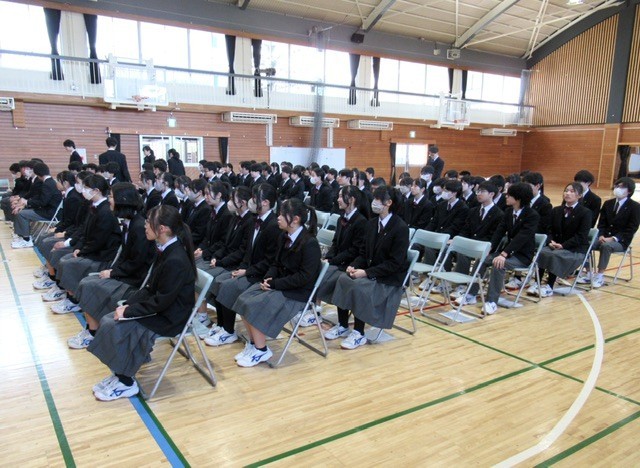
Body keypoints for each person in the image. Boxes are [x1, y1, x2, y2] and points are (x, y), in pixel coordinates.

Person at [87, 205, 196, 401]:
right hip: (162, 308)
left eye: (148, 221)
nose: (145, 225)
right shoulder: (166, 249)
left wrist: (130, 311)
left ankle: (126, 382)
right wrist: (128, 305)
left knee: (117, 326)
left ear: (162, 228)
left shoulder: (175, 259)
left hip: (170, 317)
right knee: (110, 318)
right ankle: (119, 374)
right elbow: (151, 289)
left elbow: (161, 301)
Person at [232, 197, 321, 366]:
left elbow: (304, 277)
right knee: (243, 299)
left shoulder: (310, 243)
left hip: (298, 293)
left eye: (281, 214)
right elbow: (275, 263)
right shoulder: (283, 236)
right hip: (280, 284)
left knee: (254, 306)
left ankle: (261, 350)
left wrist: (275, 284)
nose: (278, 218)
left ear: (295, 219)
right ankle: (254, 344)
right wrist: (269, 278)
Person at [68, 183, 156, 348]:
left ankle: (93, 332)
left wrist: (113, 273)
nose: (109, 200)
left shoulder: (139, 226)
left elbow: (137, 263)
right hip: (126, 273)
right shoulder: (129, 222)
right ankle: (92, 329)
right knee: (87, 282)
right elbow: (124, 256)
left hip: (134, 280)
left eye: (111, 196)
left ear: (123, 200)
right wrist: (113, 270)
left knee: (89, 286)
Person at [331, 185, 409, 349]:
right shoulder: (372, 224)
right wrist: (354, 265)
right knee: (343, 279)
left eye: (378, 199)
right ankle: (343, 325)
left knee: (360, 286)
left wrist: (366, 272)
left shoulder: (400, 228)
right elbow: (364, 253)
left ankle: (359, 333)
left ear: (388, 203)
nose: (374, 202)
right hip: (372, 270)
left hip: (388, 278)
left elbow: (395, 263)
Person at [204, 183, 281, 346]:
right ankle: (222, 325)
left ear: (265, 202)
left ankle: (229, 331)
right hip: (249, 269)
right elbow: (247, 251)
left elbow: (269, 261)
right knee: (219, 281)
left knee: (227, 286)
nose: (251, 201)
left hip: (260, 274)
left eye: (255, 198)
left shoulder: (273, 225)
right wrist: (243, 267)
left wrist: (247, 271)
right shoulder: (255, 220)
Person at [52, 174, 122, 313]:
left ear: (96, 191)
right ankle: (68, 292)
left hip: (102, 255)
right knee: (65, 258)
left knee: (69, 263)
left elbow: (98, 241)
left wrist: (82, 251)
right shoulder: (93, 206)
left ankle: (73, 300)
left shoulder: (106, 211)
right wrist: (78, 247)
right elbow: (84, 231)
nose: (83, 190)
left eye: (86, 187)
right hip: (91, 249)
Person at [474, 182, 539, 315]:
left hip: (521, 256)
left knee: (498, 264)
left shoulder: (532, 215)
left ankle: (491, 301)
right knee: (482, 259)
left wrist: (504, 254)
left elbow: (522, 237)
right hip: (507, 252)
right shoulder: (509, 211)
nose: (506, 197)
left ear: (518, 198)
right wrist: (490, 247)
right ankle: (470, 293)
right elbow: (499, 231)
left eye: (509, 195)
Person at [317, 185, 367, 339]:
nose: (338, 199)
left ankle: (343, 325)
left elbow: (354, 250)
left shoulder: (361, 221)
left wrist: (333, 261)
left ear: (351, 199)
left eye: (341, 196)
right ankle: (315, 310)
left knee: (340, 280)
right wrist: (328, 258)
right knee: (319, 269)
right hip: (339, 260)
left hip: (350, 263)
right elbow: (335, 243)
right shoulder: (341, 218)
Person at [529, 182, 592, 298]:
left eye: (572, 191)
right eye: (566, 190)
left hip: (574, 249)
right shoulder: (557, 210)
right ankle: (537, 282)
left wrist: (563, 245)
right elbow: (549, 230)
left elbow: (581, 236)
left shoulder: (585, 213)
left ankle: (549, 286)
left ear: (579, 195)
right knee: (542, 252)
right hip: (556, 245)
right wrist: (550, 241)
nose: (567, 193)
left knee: (555, 255)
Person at [452, 181, 505, 306]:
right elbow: (465, 230)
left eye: (482, 192)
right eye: (478, 191)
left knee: (474, 257)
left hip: (484, 247)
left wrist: (473, 244)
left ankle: (470, 291)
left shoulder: (499, 214)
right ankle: (459, 284)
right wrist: (458, 240)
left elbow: (493, 237)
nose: (479, 194)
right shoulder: (473, 211)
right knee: (455, 250)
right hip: (470, 244)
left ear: (491, 194)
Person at [588, 177, 640, 288]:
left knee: (606, 246)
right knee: (586, 243)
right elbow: (601, 223)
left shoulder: (635, 207)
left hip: (621, 241)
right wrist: (601, 235)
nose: (618, 189)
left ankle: (600, 275)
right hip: (603, 237)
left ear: (629, 191)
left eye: (622, 187)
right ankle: (588, 271)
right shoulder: (608, 203)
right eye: (617, 186)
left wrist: (613, 238)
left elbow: (631, 228)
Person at [12, 162, 63, 249]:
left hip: (50, 213)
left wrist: (27, 202)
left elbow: (42, 202)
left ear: (38, 174)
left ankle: (26, 240)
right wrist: (26, 203)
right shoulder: (49, 182)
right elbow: (40, 198)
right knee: (22, 211)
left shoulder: (47, 184)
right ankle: (23, 236)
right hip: (48, 210)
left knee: (21, 214)